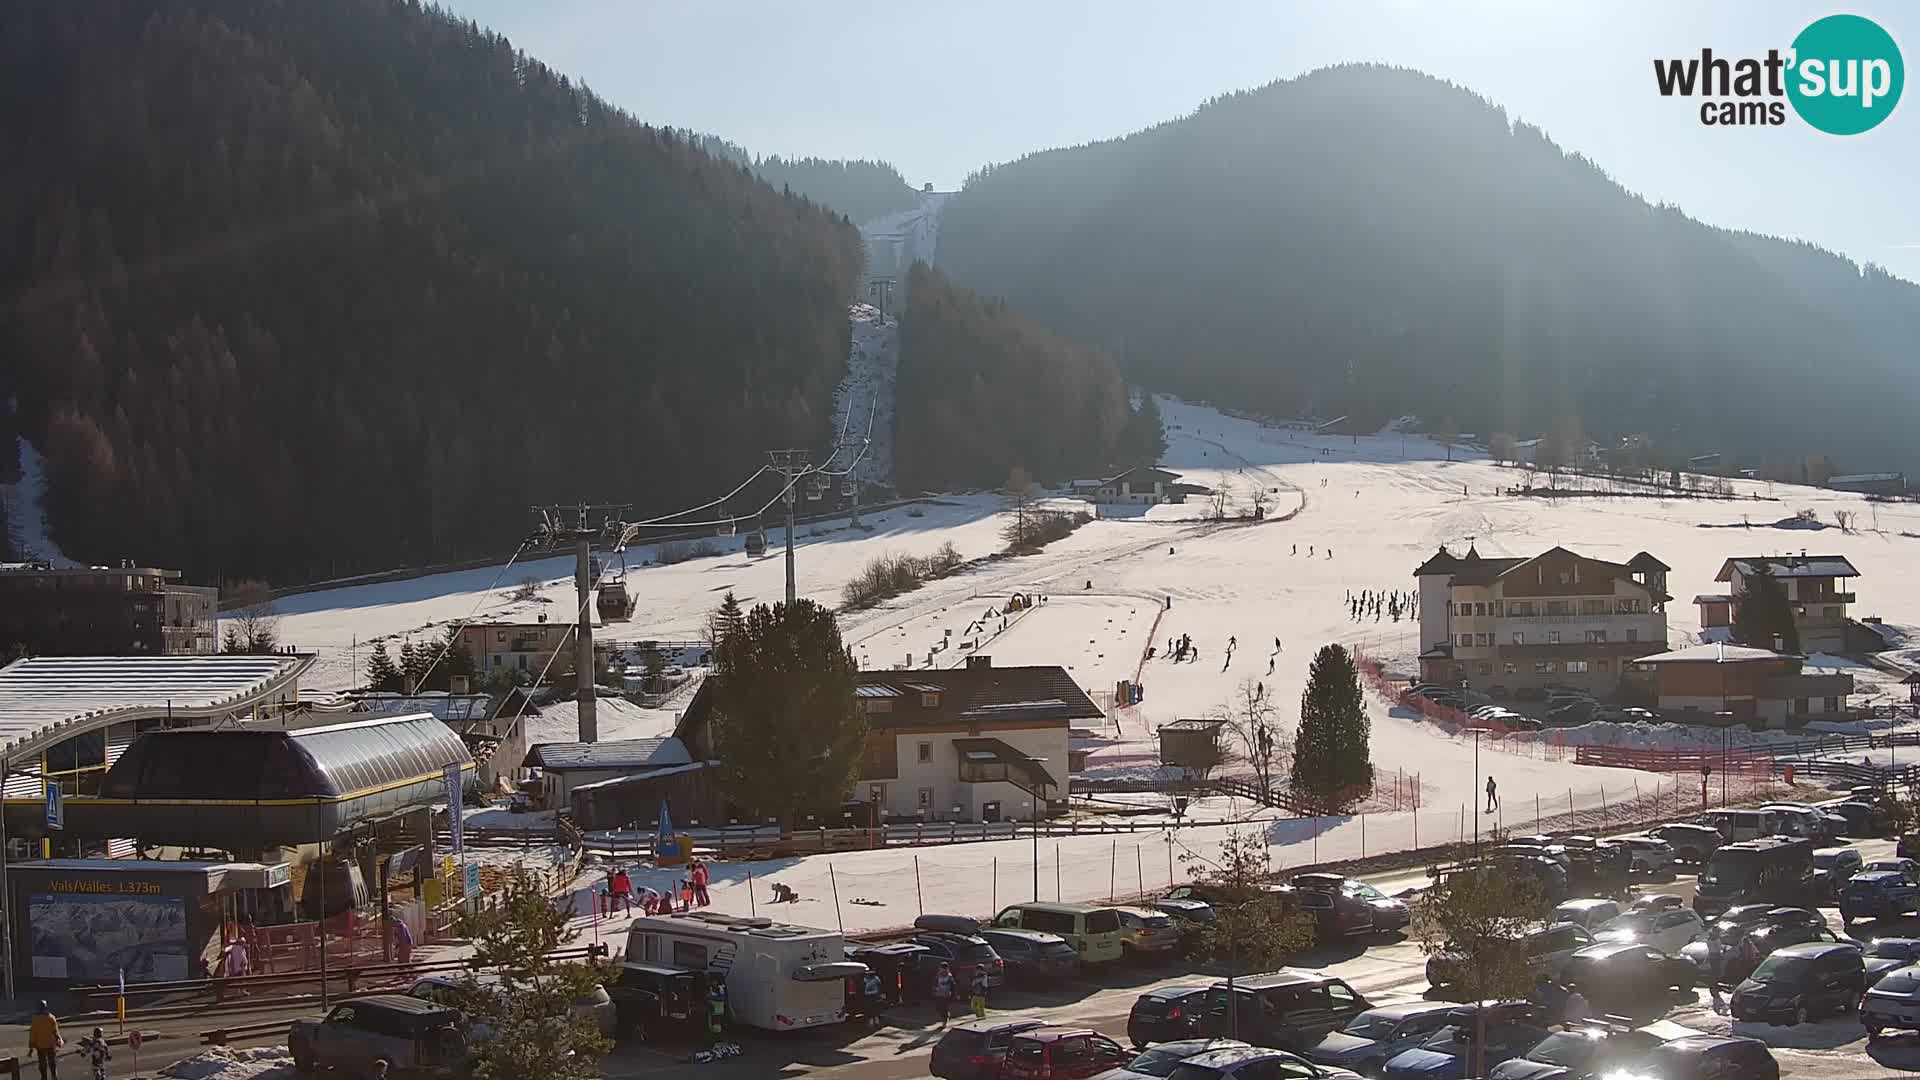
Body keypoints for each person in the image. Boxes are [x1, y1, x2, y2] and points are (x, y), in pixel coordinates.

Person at [29, 1000, 60, 1080]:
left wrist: (31, 1048)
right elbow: (55, 1031)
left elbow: (33, 1034)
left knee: (42, 1064)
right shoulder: (51, 1017)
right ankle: (54, 1076)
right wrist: (58, 1041)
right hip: (50, 1045)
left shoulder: (35, 1019)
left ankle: (44, 1077)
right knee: (52, 1062)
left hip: (40, 1046)